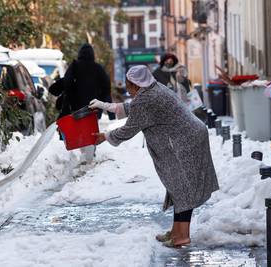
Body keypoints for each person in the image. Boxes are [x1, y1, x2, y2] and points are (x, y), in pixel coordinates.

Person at [89, 65, 219, 248]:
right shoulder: (153, 88)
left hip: (186, 142)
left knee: (182, 188)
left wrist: (105, 136)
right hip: (188, 137)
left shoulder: (147, 99)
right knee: (178, 187)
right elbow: (134, 108)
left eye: (128, 84)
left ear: (136, 84)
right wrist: (105, 106)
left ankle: (182, 235)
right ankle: (176, 231)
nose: (127, 88)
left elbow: (129, 129)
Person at [61, 43, 112, 162]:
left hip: (77, 105)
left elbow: (67, 83)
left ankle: (84, 152)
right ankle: (90, 151)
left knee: (80, 128)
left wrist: (68, 99)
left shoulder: (74, 66)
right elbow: (106, 87)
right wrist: (108, 109)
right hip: (94, 106)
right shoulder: (98, 68)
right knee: (92, 128)